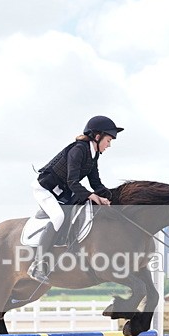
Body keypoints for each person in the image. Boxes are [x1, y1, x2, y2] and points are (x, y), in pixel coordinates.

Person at [28, 115, 124, 283]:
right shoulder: (78, 150)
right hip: (45, 188)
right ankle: (37, 265)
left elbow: (96, 182)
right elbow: (72, 181)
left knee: (84, 206)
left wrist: (110, 197)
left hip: (62, 190)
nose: (109, 145)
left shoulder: (94, 155)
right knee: (59, 216)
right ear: (97, 136)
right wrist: (92, 196)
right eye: (108, 140)